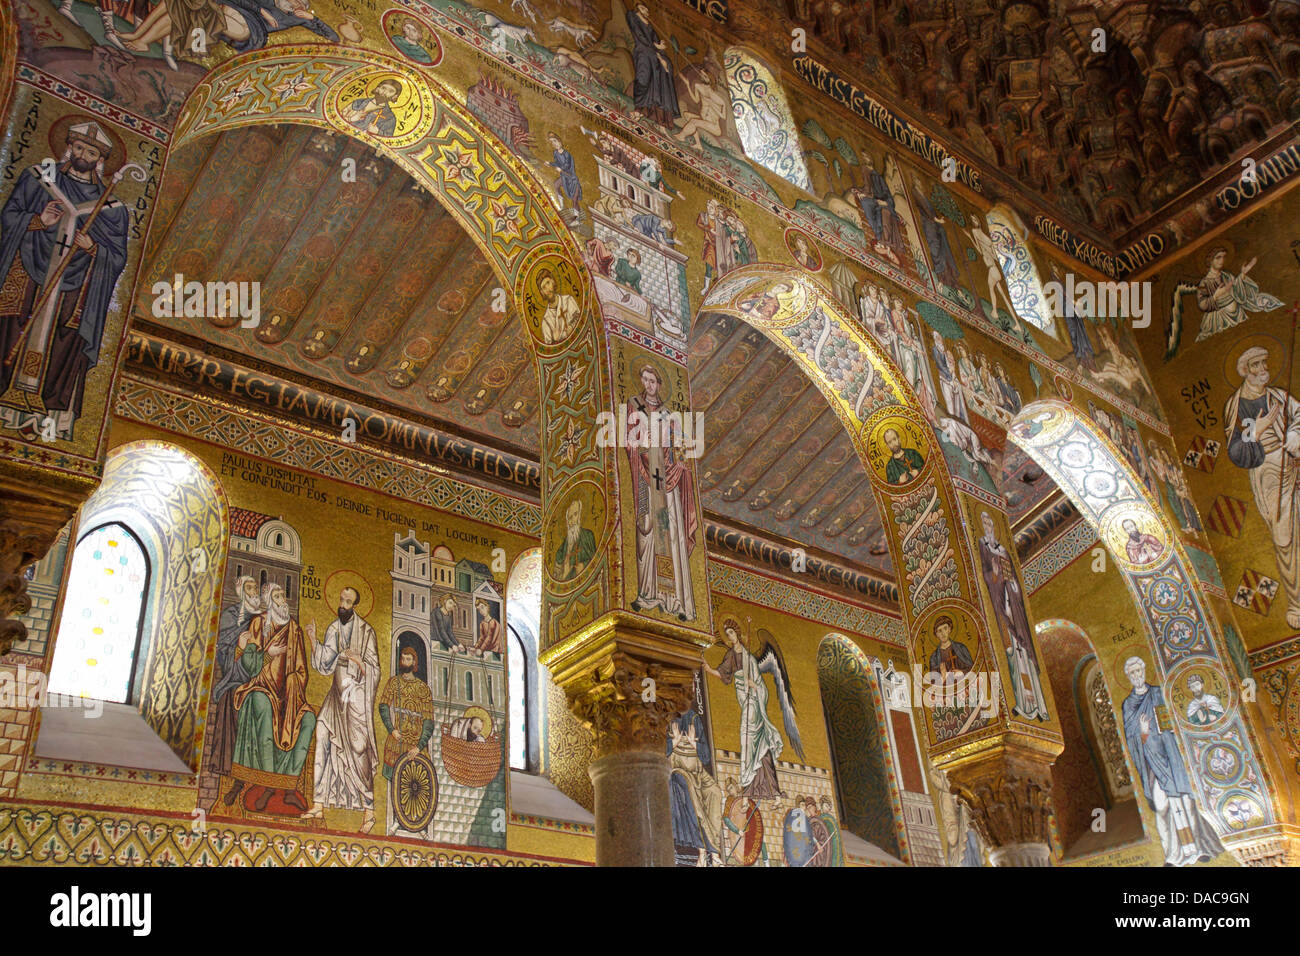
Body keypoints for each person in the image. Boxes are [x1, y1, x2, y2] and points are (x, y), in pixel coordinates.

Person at [0, 120, 129, 440]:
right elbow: (8, 217)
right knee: (11, 325)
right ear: (69, 147)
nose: (83, 154)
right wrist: (37, 220)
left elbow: (118, 257)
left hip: (74, 287)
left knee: (66, 340)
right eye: (79, 147)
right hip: (29, 271)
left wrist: (94, 248)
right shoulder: (37, 180)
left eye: (92, 151)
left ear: (101, 160)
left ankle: (48, 412)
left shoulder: (112, 208)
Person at [1120, 657, 1226, 865]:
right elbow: (1131, 737)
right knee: (1163, 806)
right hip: (1152, 760)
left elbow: (1174, 718)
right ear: (1128, 677)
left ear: (1143, 670)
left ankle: (1197, 848)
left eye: (1138, 671)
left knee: (1187, 800)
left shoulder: (1158, 693)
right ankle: (1173, 854)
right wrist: (1142, 733)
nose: (1136, 676)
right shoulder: (1128, 704)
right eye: (1132, 673)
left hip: (1172, 754)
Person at [1224, 346, 1300, 627]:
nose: (1263, 368)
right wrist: (1256, 431)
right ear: (1246, 370)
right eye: (1257, 364)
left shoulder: (1278, 395)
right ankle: (1297, 603)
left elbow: (1299, 413)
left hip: (1293, 461)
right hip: (1267, 472)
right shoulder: (1236, 406)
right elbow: (1235, 451)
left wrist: (1294, 433)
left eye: (1265, 362)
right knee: (1285, 536)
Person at [226, 583, 317, 813]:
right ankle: (266, 784)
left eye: (282, 596)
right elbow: (250, 665)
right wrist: (268, 654)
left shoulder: (294, 629)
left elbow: (301, 670)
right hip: (260, 688)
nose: (282, 600)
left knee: (308, 720)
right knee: (262, 705)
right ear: (269, 600)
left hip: (288, 695)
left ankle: (288, 788)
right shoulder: (259, 624)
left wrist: (293, 684)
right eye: (276, 596)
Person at [302, 586, 380, 832]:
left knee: (359, 751)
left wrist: (358, 660)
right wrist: (314, 640)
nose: (343, 605)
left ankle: (368, 812)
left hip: (355, 698)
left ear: (355, 605)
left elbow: (375, 670)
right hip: (336, 697)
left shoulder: (367, 632)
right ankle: (318, 803)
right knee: (322, 735)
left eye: (348, 601)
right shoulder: (334, 628)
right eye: (341, 600)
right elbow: (325, 663)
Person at [627, 362, 697, 619]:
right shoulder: (635, 407)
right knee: (647, 529)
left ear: (659, 383)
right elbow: (630, 441)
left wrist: (677, 455)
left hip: (668, 481)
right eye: (645, 379)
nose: (649, 384)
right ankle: (648, 593)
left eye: (653, 380)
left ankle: (676, 601)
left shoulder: (669, 415)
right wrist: (644, 445)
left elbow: (681, 450)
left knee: (672, 534)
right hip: (647, 478)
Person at [702, 620, 784, 804]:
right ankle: (749, 790)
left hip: (754, 701)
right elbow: (724, 673)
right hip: (744, 700)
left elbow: (762, 687)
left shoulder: (749, 659)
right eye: (728, 634)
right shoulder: (730, 655)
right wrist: (708, 669)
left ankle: (773, 794)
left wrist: (753, 685)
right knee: (746, 741)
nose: (730, 637)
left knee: (759, 745)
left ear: (737, 634)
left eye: (732, 633)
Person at [977, 511, 1048, 720]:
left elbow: (1014, 578)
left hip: (1012, 602)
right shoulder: (983, 547)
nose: (988, 526)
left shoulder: (1003, 549)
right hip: (1001, 604)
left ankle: (1039, 706)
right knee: (1011, 656)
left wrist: (1011, 584)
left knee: (1024, 653)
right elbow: (987, 577)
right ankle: (1021, 703)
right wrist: (997, 574)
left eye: (990, 522)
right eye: (985, 523)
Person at [207, 576, 262, 784]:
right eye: (249, 587)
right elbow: (222, 650)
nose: (253, 591)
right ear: (241, 591)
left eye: (255, 587)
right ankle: (228, 763)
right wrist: (239, 646)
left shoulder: (265, 618)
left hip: (259, 675)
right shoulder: (231, 615)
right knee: (231, 698)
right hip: (235, 676)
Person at [667, 704, 723, 866]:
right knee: (691, 793)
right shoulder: (666, 715)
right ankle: (703, 851)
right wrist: (674, 742)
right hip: (677, 767)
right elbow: (658, 750)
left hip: (697, 768)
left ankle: (714, 852)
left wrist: (694, 744)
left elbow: (705, 757)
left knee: (715, 792)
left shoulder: (694, 718)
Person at [377, 645, 436, 796]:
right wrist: (391, 729)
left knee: (417, 790)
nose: (405, 662)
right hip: (397, 742)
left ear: (414, 662)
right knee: (395, 788)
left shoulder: (423, 689)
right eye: (403, 658)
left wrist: (419, 747)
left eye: (408, 659)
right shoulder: (393, 683)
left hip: (415, 746)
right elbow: (383, 705)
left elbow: (428, 722)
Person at [1194, 247, 1284, 341]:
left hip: (1238, 314)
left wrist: (1242, 274)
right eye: (1218, 257)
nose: (1222, 260)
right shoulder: (1204, 283)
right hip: (1220, 320)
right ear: (1210, 260)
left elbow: (1237, 291)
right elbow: (1202, 305)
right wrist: (1216, 295)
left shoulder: (1227, 275)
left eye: (1224, 257)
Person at [626, 2, 679, 126]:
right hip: (642, 53)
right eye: (644, 8)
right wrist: (656, 45)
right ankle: (638, 106)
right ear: (638, 8)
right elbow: (639, 35)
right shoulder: (632, 16)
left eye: (647, 9)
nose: (646, 11)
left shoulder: (650, 26)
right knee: (642, 78)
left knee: (652, 83)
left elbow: (656, 43)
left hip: (653, 57)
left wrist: (660, 52)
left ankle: (640, 110)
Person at [553, 497, 596, 581]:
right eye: (569, 517)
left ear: (580, 515)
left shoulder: (588, 535)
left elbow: (595, 560)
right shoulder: (566, 542)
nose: (572, 521)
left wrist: (583, 565)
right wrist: (564, 572)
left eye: (575, 514)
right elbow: (558, 563)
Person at [536, 268, 580, 344]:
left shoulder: (568, 300)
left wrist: (571, 328)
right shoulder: (546, 321)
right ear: (542, 292)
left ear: (553, 281)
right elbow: (551, 349)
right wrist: (556, 339)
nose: (548, 289)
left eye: (548, 283)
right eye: (544, 287)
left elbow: (580, 319)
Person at [546, 132, 583, 217]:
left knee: (574, 200)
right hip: (564, 177)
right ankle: (560, 203)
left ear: (559, 141)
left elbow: (567, 165)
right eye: (552, 142)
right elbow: (557, 163)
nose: (554, 144)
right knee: (555, 185)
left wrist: (561, 169)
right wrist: (550, 163)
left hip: (572, 179)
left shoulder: (567, 154)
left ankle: (577, 219)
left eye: (555, 141)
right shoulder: (555, 153)